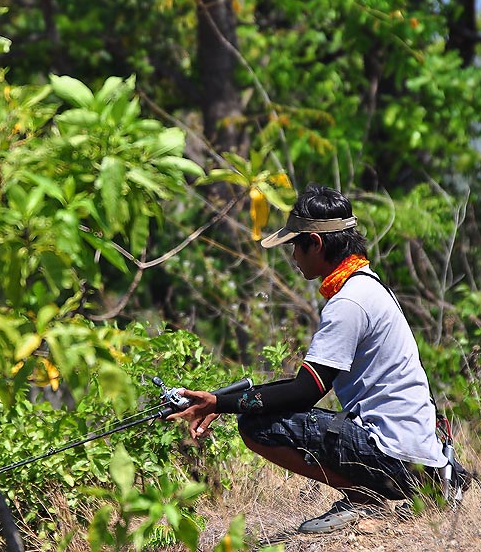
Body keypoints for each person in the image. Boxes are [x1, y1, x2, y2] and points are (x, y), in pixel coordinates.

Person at [166, 184, 449, 534]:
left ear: (315, 243)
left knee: (257, 426)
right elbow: (305, 384)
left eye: (294, 246)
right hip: (418, 458)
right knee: (260, 413)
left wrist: (221, 404)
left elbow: (305, 391)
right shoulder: (367, 285)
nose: (293, 257)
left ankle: (363, 499)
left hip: (397, 457)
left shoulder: (349, 302)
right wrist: (221, 400)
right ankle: (384, 493)